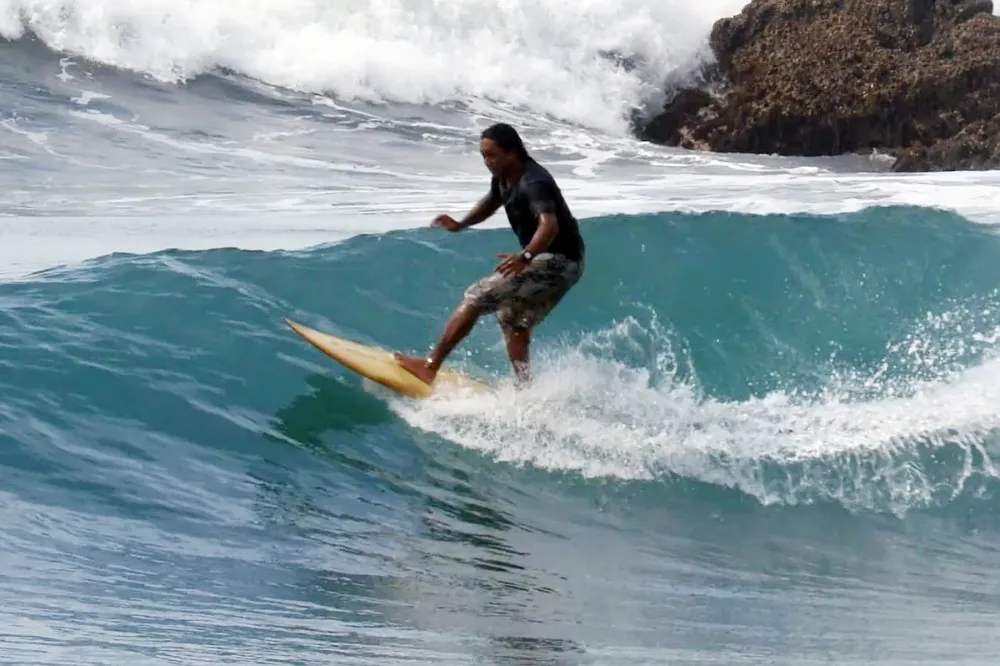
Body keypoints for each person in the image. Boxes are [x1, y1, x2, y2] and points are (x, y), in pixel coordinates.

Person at [394, 122, 586, 386]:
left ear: (512, 152)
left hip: (559, 261)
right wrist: (461, 224)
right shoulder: (504, 176)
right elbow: (492, 201)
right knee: (512, 320)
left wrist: (525, 257)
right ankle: (525, 387)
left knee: (477, 296)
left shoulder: (534, 181)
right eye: (483, 155)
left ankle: (430, 366)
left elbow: (549, 225)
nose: (487, 162)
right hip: (560, 261)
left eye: (492, 155)